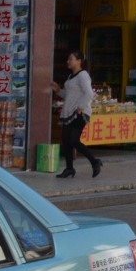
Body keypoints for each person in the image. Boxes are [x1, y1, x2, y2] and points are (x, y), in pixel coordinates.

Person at [50, 50, 102, 179]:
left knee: (73, 140)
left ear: (79, 61)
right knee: (66, 140)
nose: (68, 61)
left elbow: (89, 93)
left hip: (79, 113)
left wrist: (80, 107)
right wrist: (58, 90)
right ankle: (69, 168)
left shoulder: (83, 75)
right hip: (69, 112)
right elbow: (69, 95)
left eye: (71, 59)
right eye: (68, 59)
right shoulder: (70, 77)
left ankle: (94, 161)